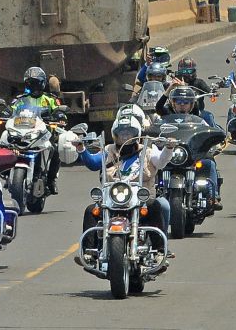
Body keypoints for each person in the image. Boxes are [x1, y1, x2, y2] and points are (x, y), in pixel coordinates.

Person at [72, 115, 174, 270]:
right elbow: (93, 163)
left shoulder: (147, 149)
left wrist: (168, 148)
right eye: (121, 133)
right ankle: (89, 252)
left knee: (156, 207)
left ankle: (160, 251)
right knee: (90, 210)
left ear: (136, 133)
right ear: (115, 134)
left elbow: (160, 161)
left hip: (141, 198)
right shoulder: (109, 151)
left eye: (129, 132)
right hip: (113, 198)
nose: (125, 136)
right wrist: (81, 148)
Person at [155, 87, 223, 209]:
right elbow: (157, 116)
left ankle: (214, 196)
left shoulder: (200, 118)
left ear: (191, 104)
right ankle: (148, 193)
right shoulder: (165, 117)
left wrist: (213, 143)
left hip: (192, 153)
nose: (182, 105)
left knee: (209, 162)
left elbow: (209, 131)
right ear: (173, 103)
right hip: (171, 153)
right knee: (152, 163)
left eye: (185, 103)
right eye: (178, 102)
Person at [10, 66, 66, 194]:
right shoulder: (20, 100)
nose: (34, 87)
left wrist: (60, 117)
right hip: (23, 133)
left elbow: (59, 111)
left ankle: (51, 180)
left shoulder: (50, 99)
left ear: (43, 84)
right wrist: (5, 112)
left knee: (56, 150)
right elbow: (10, 110)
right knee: (5, 145)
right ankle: (7, 172)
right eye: (31, 83)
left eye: (37, 83)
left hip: (44, 135)